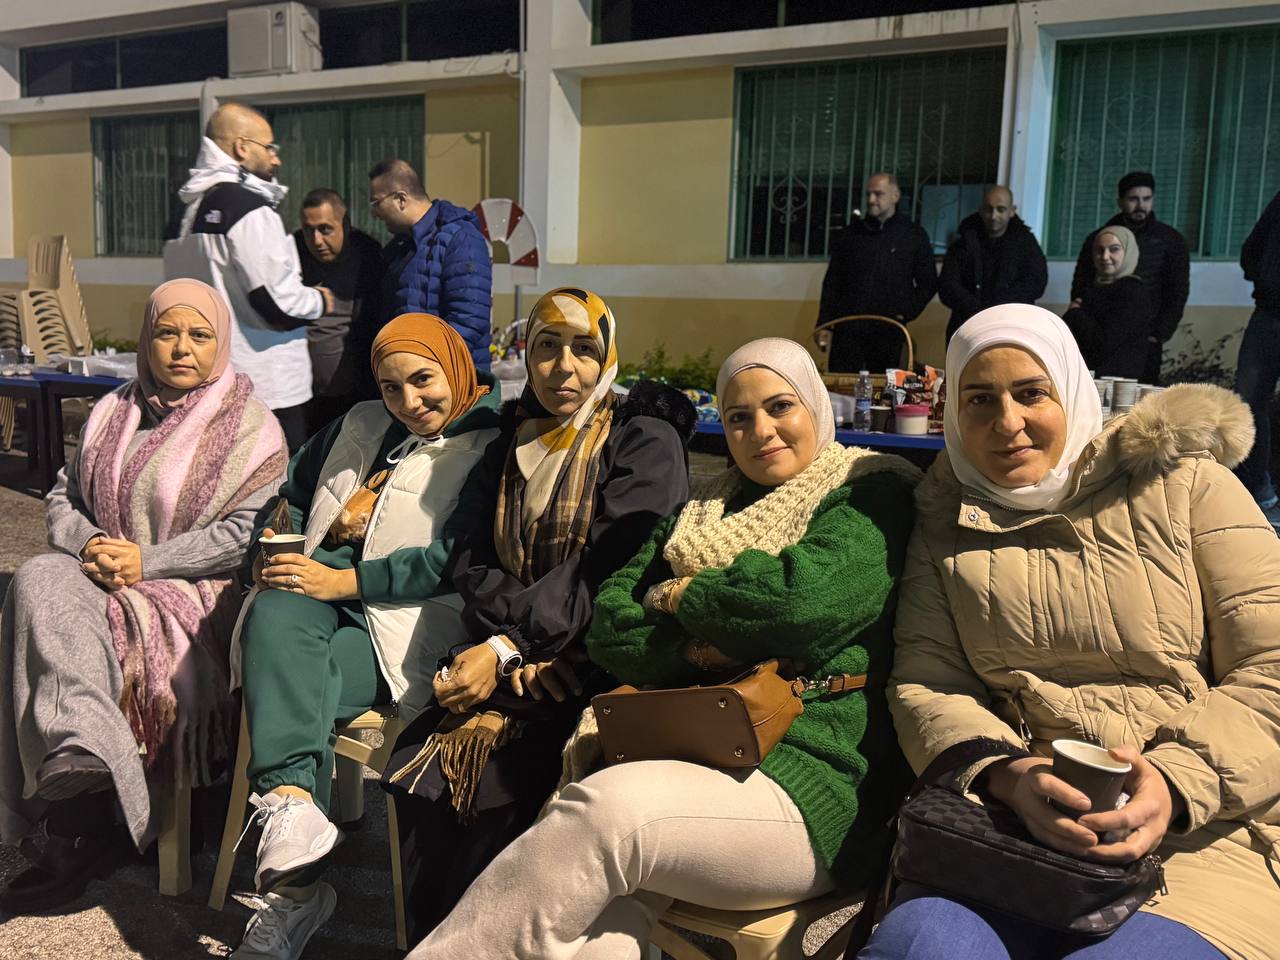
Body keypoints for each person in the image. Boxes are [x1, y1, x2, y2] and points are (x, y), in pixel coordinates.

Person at [403, 337, 921, 960]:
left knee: (607, 812)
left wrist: (682, 594)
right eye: (738, 417)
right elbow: (612, 629)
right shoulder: (701, 507)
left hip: (809, 784)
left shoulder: (869, 489)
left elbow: (795, 605)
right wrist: (708, 651)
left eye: (780, 407)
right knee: (595, 928)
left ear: (815, 404)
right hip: (683, 752)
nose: (760, 431)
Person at [861, 303, 1280, 959]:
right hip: (1018, 830)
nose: (1008, 423)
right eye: (979, 400)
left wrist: (1175, 782)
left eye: (1031, 393)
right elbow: (929, 682)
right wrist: (1008, 773)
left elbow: (1272, 667)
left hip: (1205, 832)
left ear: (1072, 391)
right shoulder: (944, 518)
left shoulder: (1185, 486)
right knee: (920, 947)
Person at [381, 287, 695, 946]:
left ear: (608, 355)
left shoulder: (643, 439)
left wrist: (510, 646)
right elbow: (469, 556)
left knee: (500, 786)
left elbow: (614, 568)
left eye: (584, 349)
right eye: (547, 347)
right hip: (510, 660)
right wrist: (509, 645)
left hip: (595, 662)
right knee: (422, 768)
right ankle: (429, 944)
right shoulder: (511, 437)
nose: (563, 368)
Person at [0, 279, 287, 914]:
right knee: (38, 578)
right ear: (146, 339)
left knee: (61, 626)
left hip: (197, 596)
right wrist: (91, 544)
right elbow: (64, 496)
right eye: (167, 333)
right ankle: (80, 750)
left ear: (221, 342)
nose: (182, 348)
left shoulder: (252, 426)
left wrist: (146, 561)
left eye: (199, 335)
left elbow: (247, 535)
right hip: (104, 570)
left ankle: (76, 830)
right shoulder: (112, 410)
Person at [227, 313, 502, 960]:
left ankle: (295, 894)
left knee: (300, 677)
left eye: (424, 380)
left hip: (397, 631)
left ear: (455, 367)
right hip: (309, 601)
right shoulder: (358, 423)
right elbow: (292, 492)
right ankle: (294, 809)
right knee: (276, 609)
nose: (410, 401)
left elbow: (459, 556)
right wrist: (272, 543)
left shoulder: (491, 444)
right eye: (391, 387)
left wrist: (343, 582)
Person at [165, 102, 334, 453]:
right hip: (266, 388)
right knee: (277, 482)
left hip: (207, 382)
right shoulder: (249, 210)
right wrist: (320, 300)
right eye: (269, 147)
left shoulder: (183, 211)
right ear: (242, 147)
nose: (276, 159)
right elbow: (276, 305)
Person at [369, 159, 492, 370]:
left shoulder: (461, 239)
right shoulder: (400, 247)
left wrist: (426, 371)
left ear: (401, 199)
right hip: (410, 377)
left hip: (452, 380)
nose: (374, 214)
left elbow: (469, 321)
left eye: (376, 203)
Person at [1069, 172, 1190, 384]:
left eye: (1146, 199)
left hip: (1146, 338)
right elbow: (1082, 280)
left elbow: (1177, 290)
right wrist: (1079, 311)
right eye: (1133, 199)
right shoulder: (1101, 238)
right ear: (1121, 202)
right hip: (1098, 333)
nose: (1140, 205)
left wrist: (1159, 333)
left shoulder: (1169, 240)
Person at [817, 173, 938, 373]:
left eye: (878, 194)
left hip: (888, 330)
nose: (871, 200)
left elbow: (929, 282)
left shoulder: (913, 235)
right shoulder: (850, 235)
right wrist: (825, 324)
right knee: (841, 386)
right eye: (868, 194)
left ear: (895, 196)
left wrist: (905, 313)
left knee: (884, 387)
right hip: (847, 329)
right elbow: (832, 282)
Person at [294, 188, 384, 433]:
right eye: (308, 230)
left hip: (356, 395)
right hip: (302, 397)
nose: (316, 240)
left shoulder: (369, 257)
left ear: (345, 225)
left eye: (325, 229)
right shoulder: (292, 254)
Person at [939, 186, 1047, 343]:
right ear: (980, 210)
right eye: (988, 209)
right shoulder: (963, 243)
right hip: (967, 326)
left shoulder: (1026, 244)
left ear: (1012, 211)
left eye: (1001, 209)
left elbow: (1035, 283)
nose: (993, 216)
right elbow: (948, 286)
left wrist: (999, 308)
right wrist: (976, 309)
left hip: (1012, 327)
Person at [1233, 189, 1280, 530]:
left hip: (1268, 312)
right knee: (1247, 404)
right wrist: (1265, 279)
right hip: (1268, 312)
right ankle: (1257, 489)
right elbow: (1251, 249)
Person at [1062, 225, 1154, 378]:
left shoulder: (1133, 292)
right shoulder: (1093, 289)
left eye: (1114, 249)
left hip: (1116, 382)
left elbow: (1103, 343)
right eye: (1099, 250)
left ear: (1128, 253)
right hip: (1090, 376)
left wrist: (1075, 313)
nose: (1105, 257)